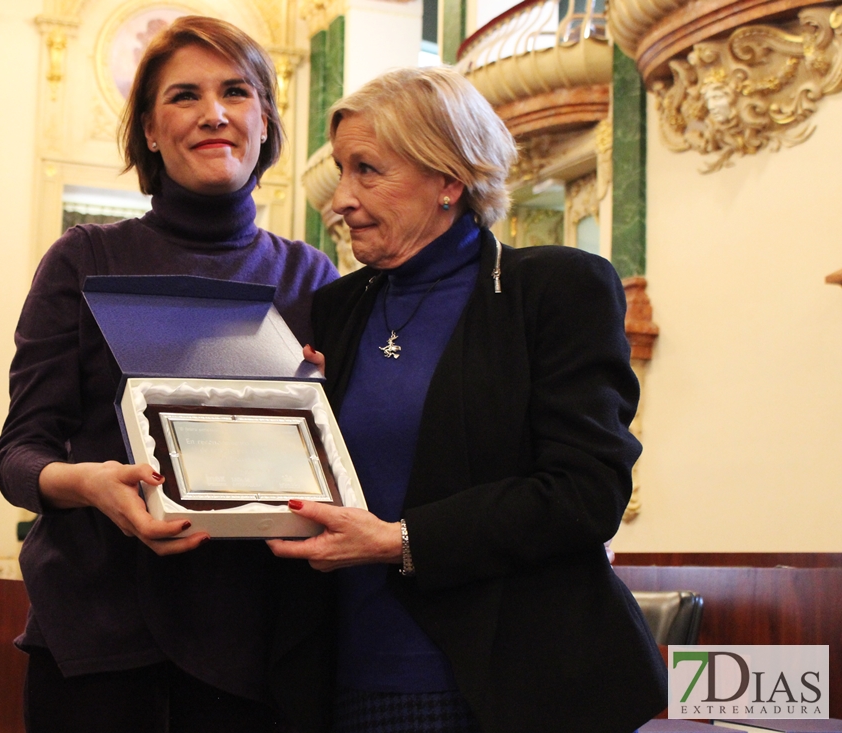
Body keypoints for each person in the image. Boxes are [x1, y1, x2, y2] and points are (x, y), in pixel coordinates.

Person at [269, 66, 667, 733]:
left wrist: (401, 539)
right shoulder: (333, 310)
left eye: (367, 170)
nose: (338, 198)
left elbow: (585, 491)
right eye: (341, 169)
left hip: (509, 687)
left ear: (449, 179)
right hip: (344, 680)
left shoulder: (556, 290)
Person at [0, 16, 338, 732]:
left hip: (255, 646)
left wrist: (338, 410)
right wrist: (91, 483)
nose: (214, 113)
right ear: (150, 130)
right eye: (185, 96)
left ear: (264, 119)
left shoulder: (311, 275)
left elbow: (344, 461)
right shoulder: (85, 258)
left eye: (236, 92)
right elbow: (20, 455)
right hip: (97, 640)